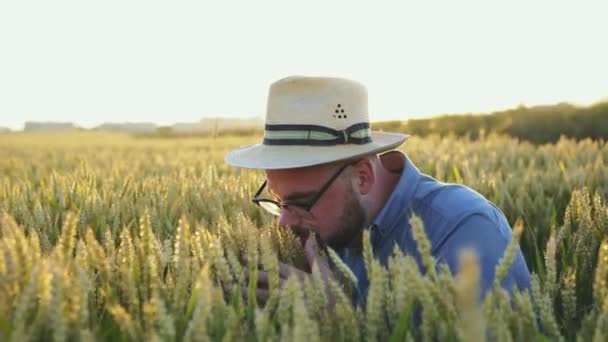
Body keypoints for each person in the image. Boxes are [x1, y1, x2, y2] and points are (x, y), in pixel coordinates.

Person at [225, 75, 531, 305]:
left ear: (362, 177)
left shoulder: (464, 230)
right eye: (278, 202)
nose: (283, 224)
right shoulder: (315, 235)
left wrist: (338, 317)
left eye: (301, 202)